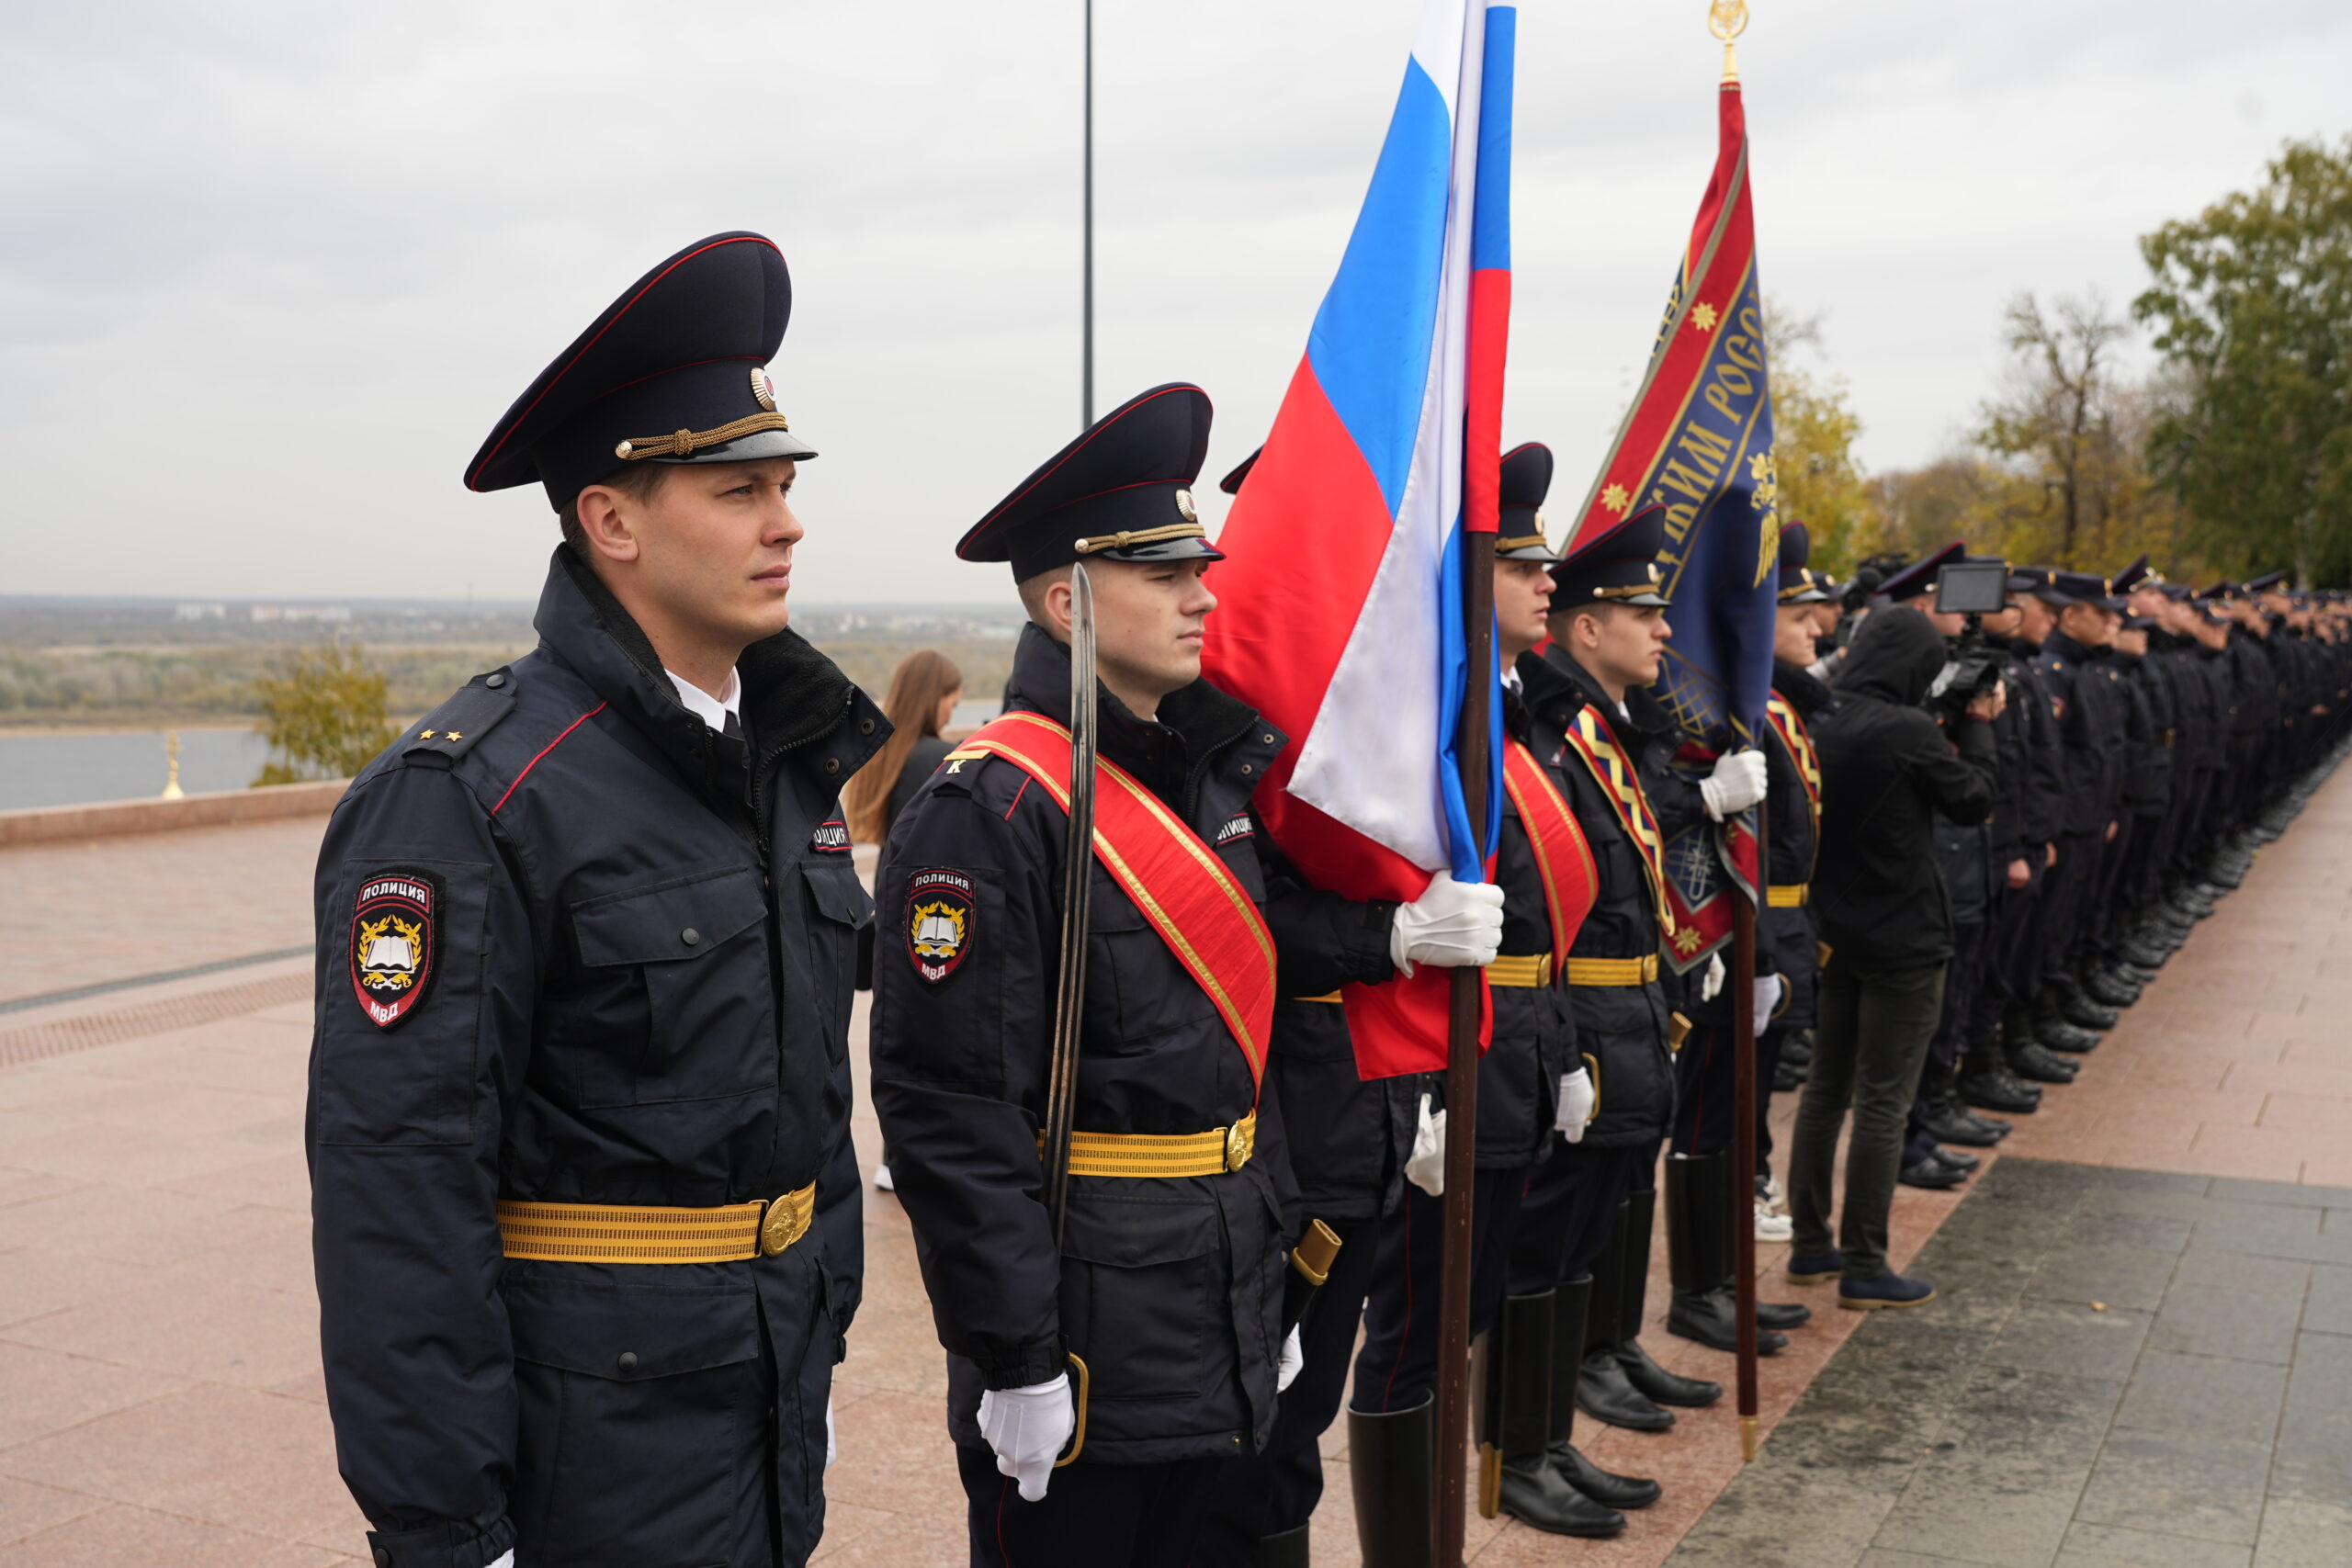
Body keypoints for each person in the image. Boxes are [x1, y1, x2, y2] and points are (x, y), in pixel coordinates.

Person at [307, 232, 885, 1568]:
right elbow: (398, 1185)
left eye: (783, 486)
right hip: (592, 1454)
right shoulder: (473, 793)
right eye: (740, 489)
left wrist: (818, 1338)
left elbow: (810, 1107)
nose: (786, 520)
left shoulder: (784, 760)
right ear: (613, 519)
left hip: (761, 1405)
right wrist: (448, 1520)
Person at [868, 385, 1498, 1568]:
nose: (1204, 594)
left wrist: (1268, 1290)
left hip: (1217, 1287)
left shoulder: (1200, 782)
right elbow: (950, 1119)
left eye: (1194, 567)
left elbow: (1235, 1060)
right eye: (1163, 576)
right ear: (1067, 603)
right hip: (1090, 1324)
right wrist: (1014, 1357)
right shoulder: (988, 807)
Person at [1347, 444, 1654, 1551]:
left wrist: (1562, 1046)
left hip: (1519, 1043)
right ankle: (1420, 1537)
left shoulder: (1515, 716)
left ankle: (1509, 1461)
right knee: (1415, 1327)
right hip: (1446, 1056)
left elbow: (1545, 921)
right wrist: (1423, 1073)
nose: (1547, 586)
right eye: (1522, 566)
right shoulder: (1438, 715)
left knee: (1478, 1302)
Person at [1498, 505, 1733, 1529]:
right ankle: (1519, 1451)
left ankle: (1548, 1437)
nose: (1665, 629)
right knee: (1543, 1245)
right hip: (1581, 1019)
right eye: (1642, 612)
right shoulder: (1556, 728)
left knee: (1584, 1232)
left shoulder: (1591, 728)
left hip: (1623, 1010)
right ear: (1587, 631)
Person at [1788, 604, 1998, 1310]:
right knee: (1884, 1098)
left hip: (1836, 932)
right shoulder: (1907, 729)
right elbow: (1974, 799)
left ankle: (1812, 1244)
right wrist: (1981, 723)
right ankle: (1865, 1263)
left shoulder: (1825, 719)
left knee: (1824, 1092)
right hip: (1905, 939)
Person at [844, 649, 965, 844]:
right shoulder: (940, 758)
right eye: (953, 705)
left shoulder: (880, 751)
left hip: (888, 871)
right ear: (936, 698)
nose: (950, 718)